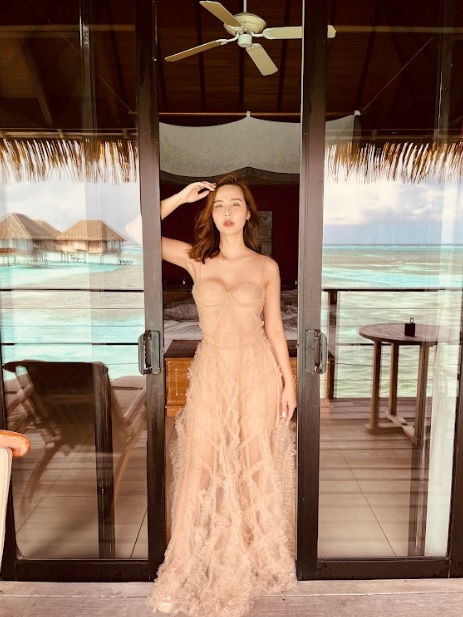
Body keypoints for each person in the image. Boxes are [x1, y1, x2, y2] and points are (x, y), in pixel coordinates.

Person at [151, 173, 297, 617]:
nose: (227, 212)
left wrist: (288, 383)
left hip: (256, 371)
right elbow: (135, 232)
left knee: (254, 461)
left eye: (235, 204)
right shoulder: (197, 259)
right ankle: (180, 568)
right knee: (199, 465)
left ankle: (253, 558)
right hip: (213, 370)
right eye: (218, 205)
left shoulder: (266, 267)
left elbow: (275, 329)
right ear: (210, 215)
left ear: (248, 214)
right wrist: (179, 198)